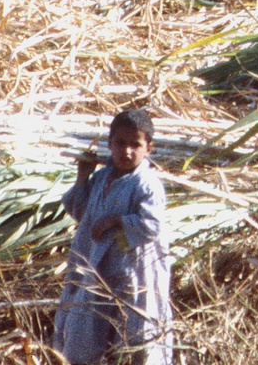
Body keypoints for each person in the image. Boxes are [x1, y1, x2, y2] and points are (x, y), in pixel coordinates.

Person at [53, 108, 174, 365]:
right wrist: (83, 177)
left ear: (148, 148)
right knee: (83, 338)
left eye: (135, 144)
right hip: (97, 270)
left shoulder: (147, 184)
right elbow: (81, 212)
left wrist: (117, 221)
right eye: (120, 143)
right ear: (110, 143)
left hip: (134, 275)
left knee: (137, 343)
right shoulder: (101, 178)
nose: (126, 151)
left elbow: (152, 225)